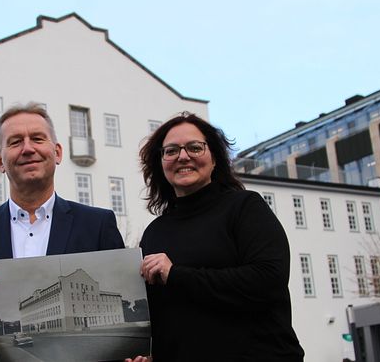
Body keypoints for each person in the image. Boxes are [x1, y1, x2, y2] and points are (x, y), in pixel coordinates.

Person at [0, 102, 125, 362]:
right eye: (15, 142)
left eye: (37, 138)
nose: (28, 148)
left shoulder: (98, 224)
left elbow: (123, 303)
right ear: (0, 161)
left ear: (56, 152)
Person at [128, 112, 304, 362]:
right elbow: (160, 313)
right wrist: (149, 353)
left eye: (194, 147)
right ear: (161, 163)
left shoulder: (245, 207)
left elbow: (268, 280)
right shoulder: (155, 232)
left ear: (214, 159)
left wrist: (175, 274)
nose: (183, 156)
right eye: (171, 151)